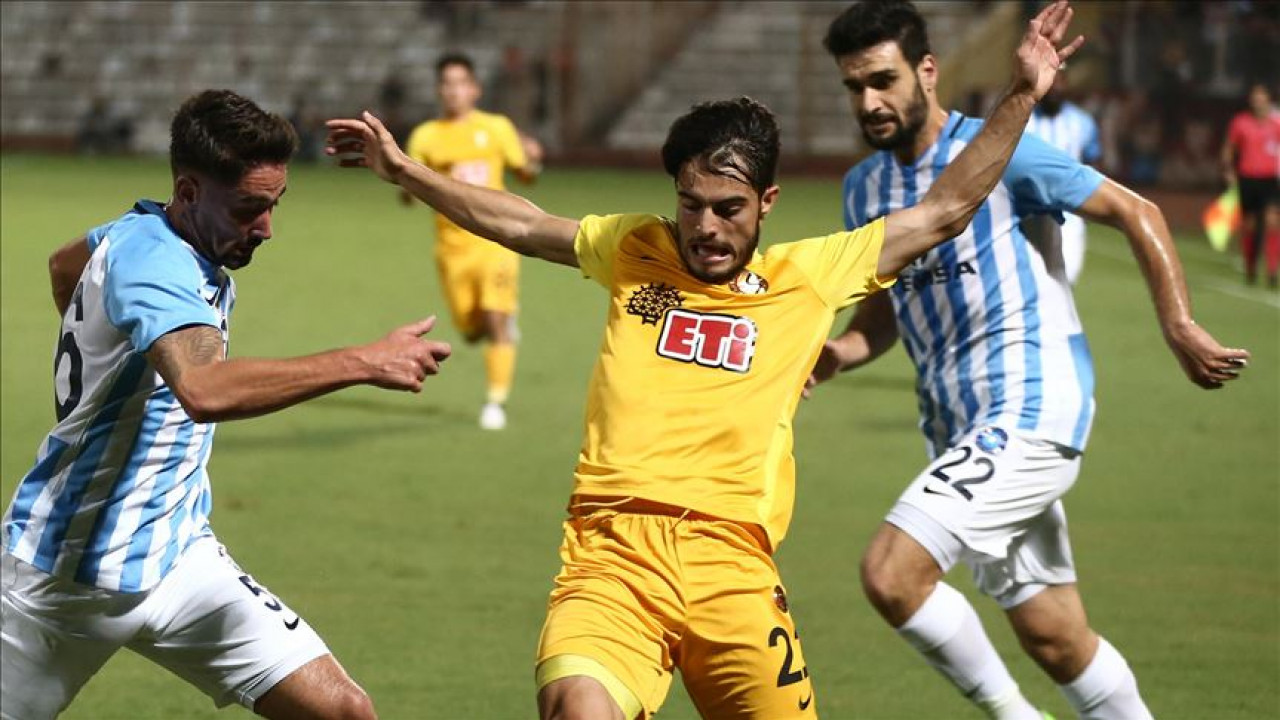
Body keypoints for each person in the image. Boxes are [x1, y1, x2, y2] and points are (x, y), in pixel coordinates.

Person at [327, 3, 1082, 717]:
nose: (706, 227)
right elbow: (523, 224)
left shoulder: (810, 276)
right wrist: (407, 172)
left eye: (729, 208)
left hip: (735, 570)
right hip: (611, 559)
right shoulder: (636, 247)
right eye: (691, 204)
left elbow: (945, 209)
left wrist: (1021, 92)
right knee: (576, 706)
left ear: (767, 202)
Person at [810, 2, 1250, 719]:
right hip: (958, 429)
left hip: (1031, 406)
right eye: (854, 87)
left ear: (927, 71)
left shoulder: (1002, 149)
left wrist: (1178, 323)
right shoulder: (863, 189)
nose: (869, 102)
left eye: (883, 80)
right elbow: (887, 307)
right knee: (1054, 637)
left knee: (892, 574)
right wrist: (841, 351)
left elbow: (1137, 210)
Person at [0, 89, 452, 720]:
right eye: (248, 209)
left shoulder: (140, 233)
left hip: (180, 556)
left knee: (344, 711)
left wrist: (103, 373)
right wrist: (365, 361)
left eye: (274, 204)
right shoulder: (155, 267)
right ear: (189, 192)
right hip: (66, 578)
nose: (266, 227)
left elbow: (63, 266)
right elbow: (205, 390)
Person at [402, 52, 544, 431]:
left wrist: (533, 159)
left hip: (497, 240)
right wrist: (401, 182)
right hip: (452, 250)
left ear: (475, 89)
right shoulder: (426, 136)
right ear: (439, 90)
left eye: (461, 83)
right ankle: (500, 326)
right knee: (470, 330)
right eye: (446, 84)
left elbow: (526, 174)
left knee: (496, 320)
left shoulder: (496, 128)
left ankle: (495, 402)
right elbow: (408, 189)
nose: (454, 91)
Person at [1025, 70, 1100, 284]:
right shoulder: (1024, 119)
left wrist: (1090, 202)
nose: (1055, 87)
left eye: (1060, 81)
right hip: (1028, 213)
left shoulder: (1082, 122)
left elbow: (1092, 163)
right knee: (1030, 279)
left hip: (1069, 214)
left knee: (1065, 278)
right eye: (1051, 82)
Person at [1221, 82, 1280, 288]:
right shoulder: (1241, 122)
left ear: (1268, 98)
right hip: (1248, 179)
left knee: (1273, 221)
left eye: (1261, 95)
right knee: (1250, 225)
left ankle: (1272, 271)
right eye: (1255, 95)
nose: (1258, 99)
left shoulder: (1276, 123)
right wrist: (1228, 170)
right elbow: (1229, 148)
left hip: (1270, 180)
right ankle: (1250, 266)